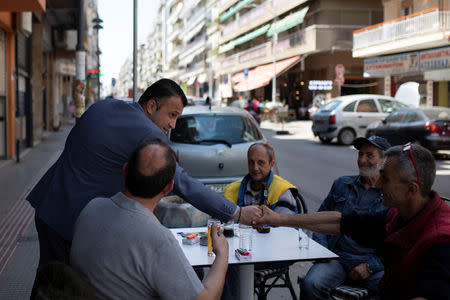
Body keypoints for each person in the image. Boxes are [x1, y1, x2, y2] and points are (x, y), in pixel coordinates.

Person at [26, 78, 261, 267]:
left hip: (48, 203)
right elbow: (182, 183)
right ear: (151, 106)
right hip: (73, 221)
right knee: (66, 288)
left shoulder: (104, 106)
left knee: (48, 281)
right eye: (172, 115)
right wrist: (236, 213)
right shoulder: (150, 133)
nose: (173, 125)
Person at [255, 143, 450, 300]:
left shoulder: (440, 240)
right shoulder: (398, 215)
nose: (379, 183)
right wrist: (279, 219)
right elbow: (340, 221)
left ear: (411, 190)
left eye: (386, 178)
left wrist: (369, 267)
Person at [70, 141, 229, 300]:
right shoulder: (158, 239)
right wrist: (222, 254)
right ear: (168, 188)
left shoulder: (91, 208)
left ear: (125, 171)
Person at [301, 136, 390, 299]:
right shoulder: (342, 184)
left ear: (384, 160)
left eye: (369, 155)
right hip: (337, 259)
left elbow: (396, 243)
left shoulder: (392, 194)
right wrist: (324, 252)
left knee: (394, 290)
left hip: (374, 263)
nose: (362, 160)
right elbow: (320, 219)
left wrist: (370, 266)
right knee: (310, 284)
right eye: (360, 154)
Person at [221, 142, 299, 300]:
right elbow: (223, 226)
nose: (255, 167)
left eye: (261, 162)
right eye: (251, 162)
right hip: (241, 251)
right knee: (224, 262)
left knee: (229, 265)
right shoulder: (232, 190)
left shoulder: (282, 191)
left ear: (272, 164)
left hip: (275, 254)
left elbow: (286, 235)